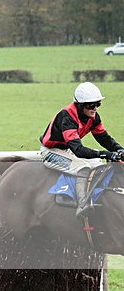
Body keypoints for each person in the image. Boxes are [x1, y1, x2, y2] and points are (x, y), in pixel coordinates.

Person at [39, 82, 124, 218]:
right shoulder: (67, 117)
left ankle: (98, 197)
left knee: (97, 163)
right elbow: (78, 150)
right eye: (91, 105)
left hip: (68, 150)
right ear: (79, 105)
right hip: (51, 151)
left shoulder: (93, 117)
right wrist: (106, 154)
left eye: (98, 104)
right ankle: (82, 205)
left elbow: (104, 138)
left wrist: (119, 149)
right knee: (83, 167)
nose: (95, 108)